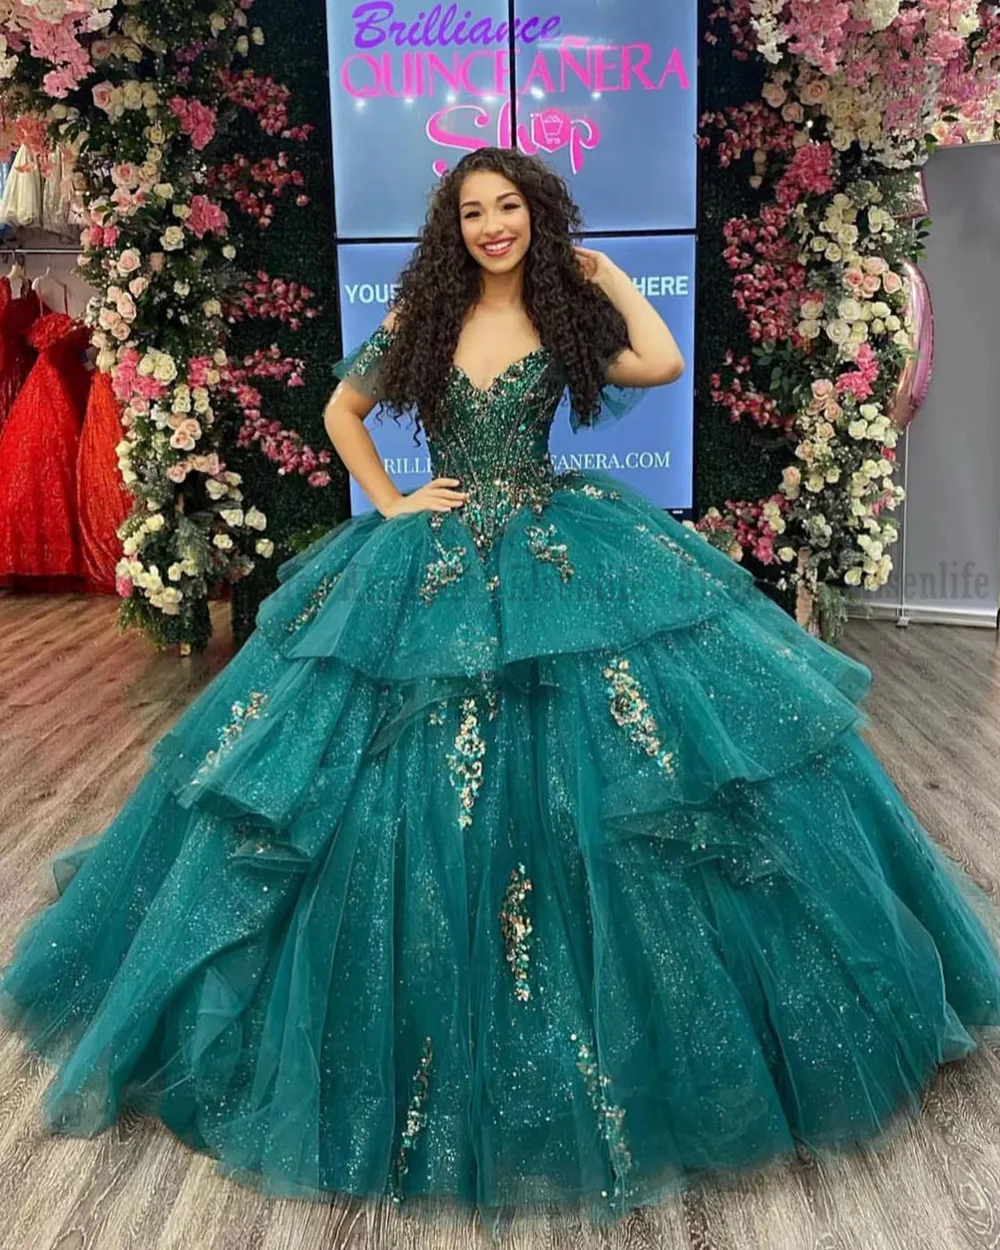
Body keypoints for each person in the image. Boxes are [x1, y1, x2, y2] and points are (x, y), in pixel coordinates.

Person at [2, 146, 1000, 1235]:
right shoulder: (424, 321)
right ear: (451, 226)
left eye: (509, 207)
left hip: (553, 545)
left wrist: (604, 271)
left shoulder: (562, 315)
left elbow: (660, 364)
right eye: (473, 210)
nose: (492, 225)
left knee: (617, 765)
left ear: (536, 215)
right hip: (430, 558)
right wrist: (387, 499)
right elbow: (344, 411)